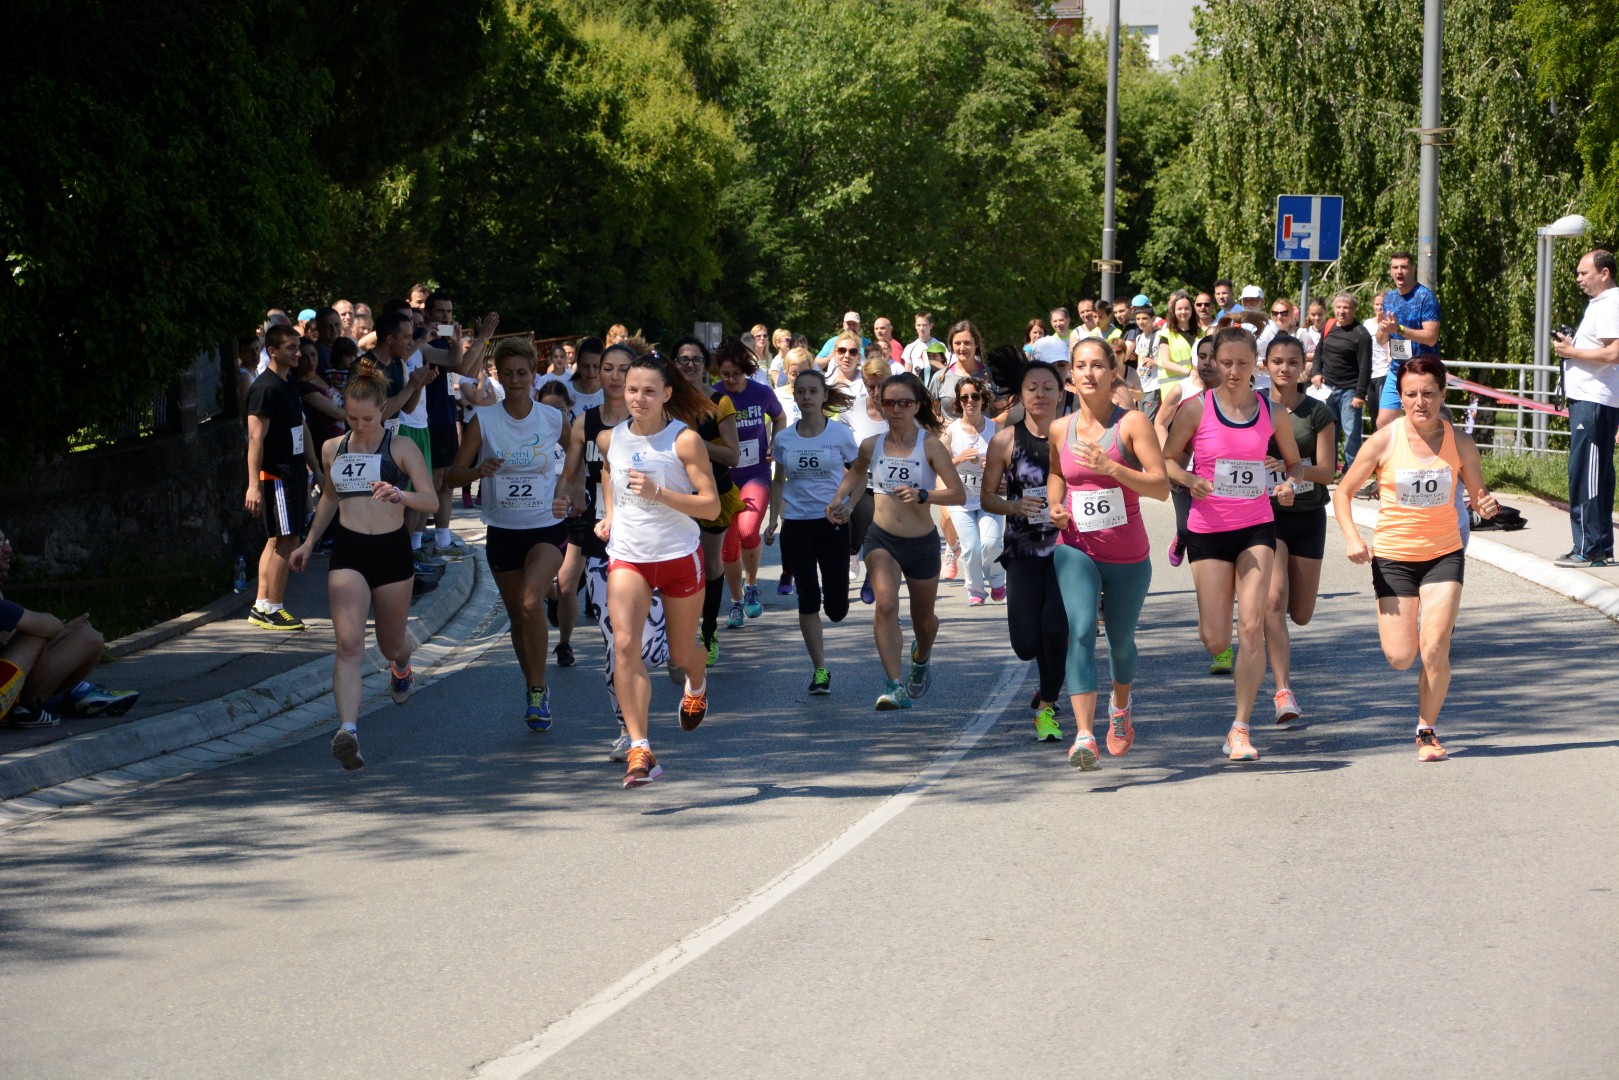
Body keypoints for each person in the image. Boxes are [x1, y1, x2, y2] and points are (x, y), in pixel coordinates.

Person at [1331, 356, 1499, 761]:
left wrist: (1487, 504)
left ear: (1442, 395)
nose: (1419, 402)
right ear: (1401, 398)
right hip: (1393, 557)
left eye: (1428, 393)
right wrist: (1353, 537)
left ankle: (1427, 730)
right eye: (1411, 394)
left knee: (1436, 646)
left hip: (1443, 553)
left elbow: (1479, 496)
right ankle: (1419, 683)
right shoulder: (1385, 441)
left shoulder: (1460, 442)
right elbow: (1343, 493)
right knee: (1401, 656)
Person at [1163, 327, 1303, 761]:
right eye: (1226, 363)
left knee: (1252, 626)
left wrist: (1289, 484)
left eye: (1243, 363)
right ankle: (1211, 624)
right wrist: (1188, 479)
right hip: (1207, 530)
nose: (1234, 371)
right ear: (1214, 363)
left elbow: (1294, 465)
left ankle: (1240, 728)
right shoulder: (1194, 409)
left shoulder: (1272, 411)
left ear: (1255, 365)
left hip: (1256, 526)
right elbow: (1168, 459)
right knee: (1215, 637)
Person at [290, 361, 436, 770]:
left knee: (391, 645)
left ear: (383, 409)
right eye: (352, 418)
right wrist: (308, 542)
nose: (360, 425)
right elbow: (331, 499)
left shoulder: (400, 447)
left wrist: (400, 496)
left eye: (368, 418)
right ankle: (348, 731)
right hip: (349, 552)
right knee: (349, 644)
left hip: (391, 551)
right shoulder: (333, 447)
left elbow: (432, 500)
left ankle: (402, 664)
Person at [596, 354, 722, 787]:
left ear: (667, 394)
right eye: (632, 389)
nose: (639, 398)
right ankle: (640, 747)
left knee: (680, 653)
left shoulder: (683, 440)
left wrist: (660, 493)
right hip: (628, 556)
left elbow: (711, 505)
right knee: (625, 645)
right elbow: (609, 475)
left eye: (649, 391)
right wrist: (611, 516)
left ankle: (697, 684)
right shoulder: (610, 439)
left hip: (677, 557)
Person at [444, 340, 579, 730]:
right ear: (498, 377)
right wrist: (477, 472)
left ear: (533, 376)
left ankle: (539, 690)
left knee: (531, 600)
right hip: (503, 531)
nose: (516, 380)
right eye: (508, 373)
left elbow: (575, 462)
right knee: (519, 617)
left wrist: (566, 496)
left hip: (546, 529)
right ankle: (532, 686)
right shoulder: (484, 420)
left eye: (522, 373)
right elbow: (452, 475)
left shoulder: (552, 419)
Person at [1047, 338, 1169, 769]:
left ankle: (1120, 709)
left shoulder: (1133, 423)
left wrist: (1112, 468)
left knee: (1120, 642)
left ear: (1113, 372)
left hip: (1127, 552)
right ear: (1070, 375)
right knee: (1079, 630)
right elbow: (1056, 474)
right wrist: (1055, 505)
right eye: (1080, 366)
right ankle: (1084, 734)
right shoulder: (1060, 429)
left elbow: (1160, 488)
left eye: (1097, 365)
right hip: (1076, 546)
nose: (1088, 374)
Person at [566, 340, 683, 761]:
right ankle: (629, 732)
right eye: (607, 369)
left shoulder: (668, 428)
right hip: (607, 542)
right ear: (598, 375)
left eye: (622, 370)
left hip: (663, 545)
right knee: (616, 642)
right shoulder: (588, 425)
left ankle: (672, 645)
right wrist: (571, 503)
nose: (614, 377)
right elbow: (573, 478)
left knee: (648, 648)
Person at [830, 372, 965, 709]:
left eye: (904, 402)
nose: (895, 409)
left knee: (924, 620)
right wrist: (841, 500)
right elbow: (858, 473)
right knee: (886, 606)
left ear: (917, 405)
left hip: (921, 543)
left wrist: (923, 494)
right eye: (889, 402)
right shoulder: (872, 445)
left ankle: (920, 658)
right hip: (881, 538)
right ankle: (895, 685)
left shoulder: (930, 445)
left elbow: (958, 494)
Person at [981, 360, 1067, 738]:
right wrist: (1013, 506)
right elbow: (986, 497)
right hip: (1023, 549)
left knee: (1055, 629)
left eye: (1049, 387)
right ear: (1022, 393)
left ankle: (1048, 705)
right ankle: (1045, 690)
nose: (1041, 395)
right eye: (1032, 388)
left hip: (1068, 550)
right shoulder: (1005, 440)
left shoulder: (1076, 435)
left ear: (1062, 393)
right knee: (1025, 642)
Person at [763, 370, 860, 693]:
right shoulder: (784, 439)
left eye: (812, 392)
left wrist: (849, 504)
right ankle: (820, 669)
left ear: (823, 397)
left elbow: (860, 472)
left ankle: (836, 605)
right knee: (808, 598)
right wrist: (773, 520)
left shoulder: (839, 434)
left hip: (832, 524)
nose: (806, 397)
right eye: (801, 392)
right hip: (797, 525)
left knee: (836, 608)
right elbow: (778, 481)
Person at [1258, 335, 1337, 725]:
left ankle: (1275, 628)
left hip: (1307, 515)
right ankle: (1283, 690)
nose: (1284, 368)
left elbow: (1329, 471)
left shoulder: (1318, 413)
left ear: (1303, 367)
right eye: (1276, 361)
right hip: (1266, 516)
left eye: (1292, 362)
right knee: (1273, 601)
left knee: (1301, 613)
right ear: (1265, 365)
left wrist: (1294, 471)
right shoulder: (1253, 408)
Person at [670, 338, 743, 660]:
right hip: (673, 496)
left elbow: (732, 456)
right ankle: (678, 630)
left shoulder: (719, 403)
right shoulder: (663, 403)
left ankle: (709, 631)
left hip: (714, 494)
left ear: (705, 365)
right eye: (683, 360)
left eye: (696, 360)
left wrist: (693, 443)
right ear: (673, 365)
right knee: (678, 565)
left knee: (711, 565)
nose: (689, 365)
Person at [245, 324, 320, 630]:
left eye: (298, 346)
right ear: (272, 351)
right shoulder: (265, 388)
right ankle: (273, 608)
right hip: (278, 475)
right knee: (286, 541)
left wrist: (316, 468)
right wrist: (253, 485)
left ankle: (262, 604)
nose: (297, 352)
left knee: (277, 538)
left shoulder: (289, 383)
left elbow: (301, 427)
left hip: (294, 472)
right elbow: (255, 440)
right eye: (291, 347)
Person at [1551, 248, 1619, 568]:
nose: (1579, 278)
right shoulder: (1600, 305)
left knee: (1586, 474)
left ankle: (1588, 548)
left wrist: (1571, 351)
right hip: (1591, 401)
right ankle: (1600, 546)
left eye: (1584, 272)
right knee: (1597, 474)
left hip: (1594, 402)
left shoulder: (1610, 303)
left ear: (1603, 273)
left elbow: (1613, 354)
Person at [714, 338, 784, 625]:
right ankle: (736, 600)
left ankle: (752, 586)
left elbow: (779, 418)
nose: (730, 380)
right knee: (728, 546)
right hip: (723, 478)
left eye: (736, 373)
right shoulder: (713, 395)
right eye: (725, 374)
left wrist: (775, 442)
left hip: (755, 473)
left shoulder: (762, 393)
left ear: (747, 370)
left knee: (747, 529)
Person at [1156, 335, 1221, 567]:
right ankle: (1180, 539)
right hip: (1185, 469)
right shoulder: (1183, 390)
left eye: (1212, 358)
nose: (1206, 363)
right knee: (1186, 529)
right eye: (1202, 357)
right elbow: (1160, 422)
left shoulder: (1237, 399)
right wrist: (1168, 459)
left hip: (1218, 475)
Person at [942, 374, 1004, 606]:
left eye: (975, 396)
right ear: (958, 402)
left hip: (989, 497)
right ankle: (976, 590)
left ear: (983, 400)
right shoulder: (951, 431)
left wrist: (995, 463)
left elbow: (1009, 459)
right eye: (964, 397)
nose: (970, 401)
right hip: (961, 500)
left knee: (990, 543)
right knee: (971, 548)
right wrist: (958, 459)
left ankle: (997, 579)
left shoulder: (994, 428)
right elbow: (937, 463)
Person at [836, 355, 893, 604]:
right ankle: (852, 555)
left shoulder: (900, 409)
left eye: (882, 384)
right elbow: (841, 448)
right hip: (860, 482)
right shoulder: (852, 410)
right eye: (871, 385)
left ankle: (873, 573)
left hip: (891, 487)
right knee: (856, 531)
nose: (877, 391)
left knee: (878, 532)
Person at [1374, 251, 1442, 431]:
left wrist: (1400, 330)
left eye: (1404, 267)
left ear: (1412, 269)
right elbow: (1381, 340)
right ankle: (1392, 459)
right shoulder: (1389, 298)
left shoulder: (1425, 297)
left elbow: (1431, 337)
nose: (1399, 272)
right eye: (1395, 267)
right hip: (1397, 369)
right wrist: (1383, 328)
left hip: (1423, 370)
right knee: (1383, 422)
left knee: (1423, 424)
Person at [1310, 292, 1372, 474]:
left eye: (1346, 308)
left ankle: (1351, 472)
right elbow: (1319, 352)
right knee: (1328, 432)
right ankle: (1328, 469)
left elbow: (1365, 366)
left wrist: (1360, 394)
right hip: (1327, 389)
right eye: (1338, 307)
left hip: (1350, 391)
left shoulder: (1361, 334)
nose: (1342, 311)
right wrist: (1316, 372)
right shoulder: (1329, 325)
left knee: (1351, 433)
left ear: (1354, 310)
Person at [901, 311, 943, 376]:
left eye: (924, 325)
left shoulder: (940, 345)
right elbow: (907, 374)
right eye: (918, 325)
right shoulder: (910, 347)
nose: (921, 328)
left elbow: (946, 368)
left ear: (931, 326)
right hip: (916, 385)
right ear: (915, 326)